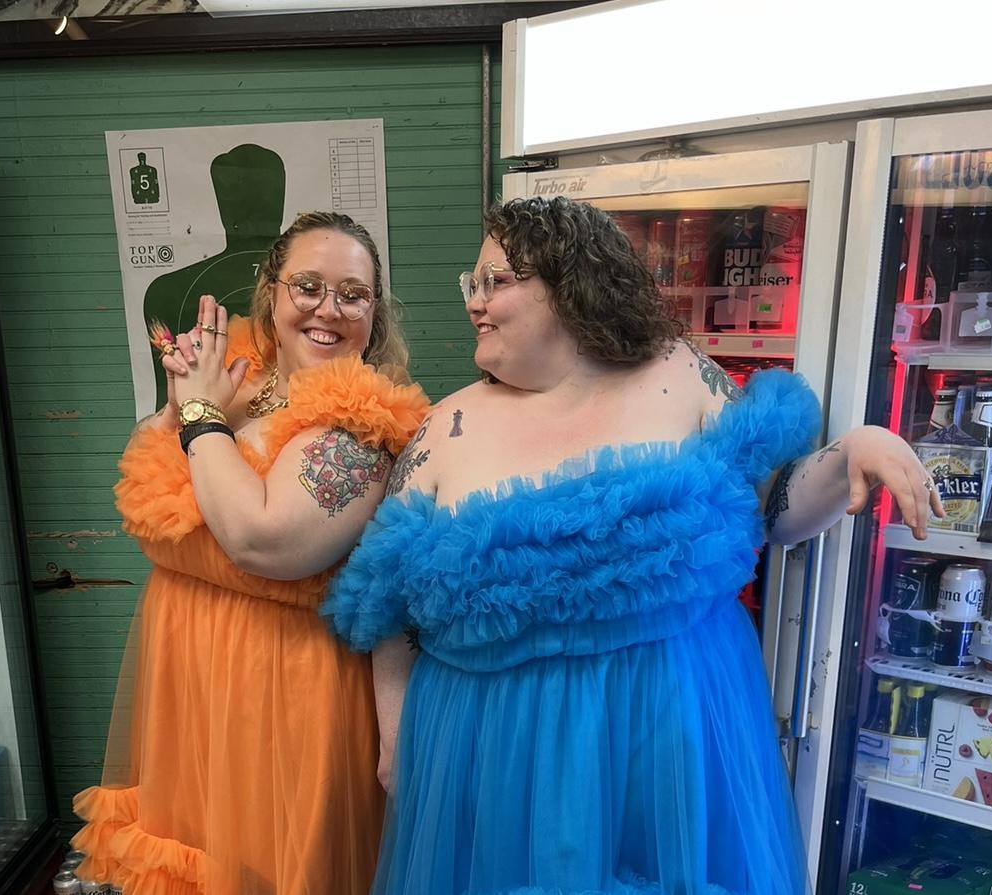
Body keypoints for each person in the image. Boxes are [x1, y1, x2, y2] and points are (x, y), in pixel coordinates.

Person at [321, 196, 940, 895]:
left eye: (496, 280)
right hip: (496, 754)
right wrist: (395, 736)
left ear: (571, 283)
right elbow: (385, 603)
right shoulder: (445, 428)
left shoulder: (683, 376)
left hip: (669, 733)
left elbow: (775, 505)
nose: (474, 301)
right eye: (474, 283)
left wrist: (857, 447)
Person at [73, 211, 430, 895]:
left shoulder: (360, 424)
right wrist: (183, 406)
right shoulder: (244, 383)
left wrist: (201, 414)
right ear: (271, 290)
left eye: (352, 294)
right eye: (308, 286)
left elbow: (261, 539)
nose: (328, 308)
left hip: (281, 693)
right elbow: (146, 477)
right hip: (192, 687)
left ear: (374, 314)